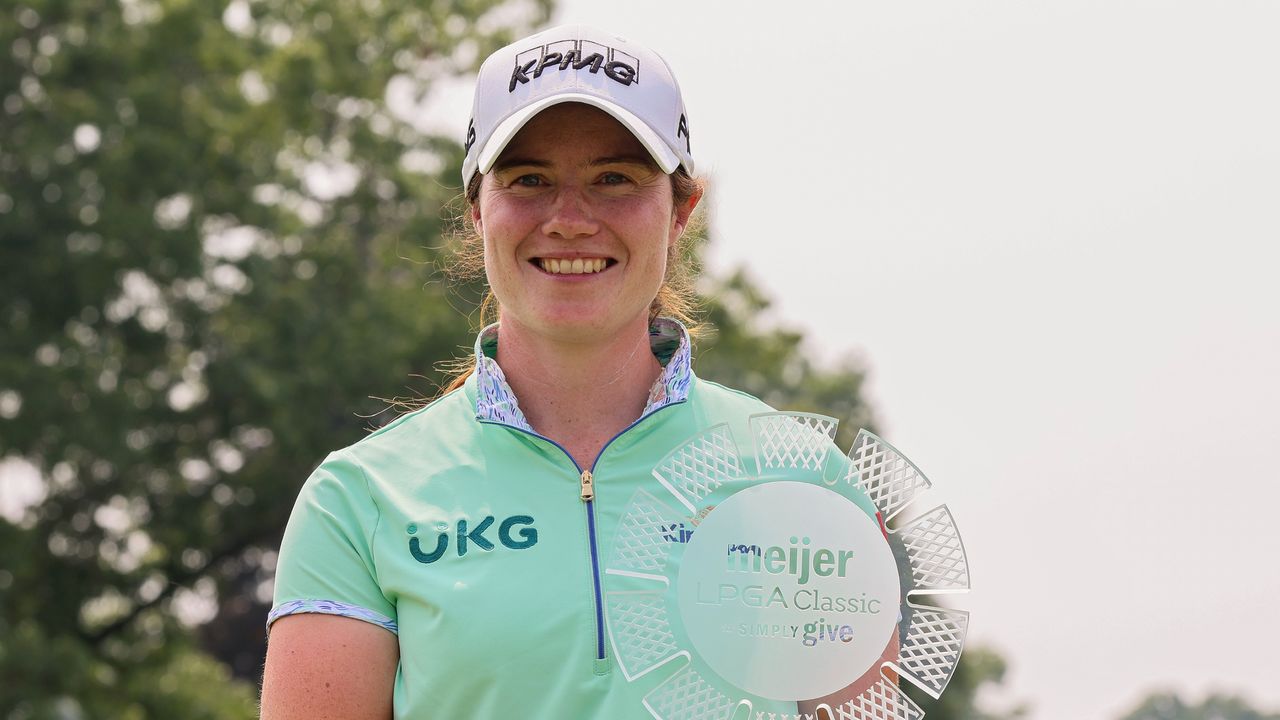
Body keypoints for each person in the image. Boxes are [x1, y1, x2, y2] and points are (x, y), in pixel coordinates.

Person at [260, 24, 895, 720]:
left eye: (614, 179)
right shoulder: (357, 500)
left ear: (682, 210)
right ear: (478, 210)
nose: (568, 219)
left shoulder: (800, 480)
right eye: (529, 180)